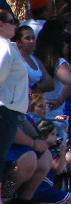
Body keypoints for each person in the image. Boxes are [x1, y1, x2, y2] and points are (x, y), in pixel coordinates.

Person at [0, 10, 30, 194]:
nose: (16, 25)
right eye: (13, 21)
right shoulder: (4, 47)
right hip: (4, 110)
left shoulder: (7, 46)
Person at [13, 25, 54, 94]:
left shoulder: (35, 59)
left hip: (40, 102)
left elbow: (51, 85)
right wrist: (41, 85)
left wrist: (35, 86)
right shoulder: (16, 60)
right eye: (27, 38)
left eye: (33, 38)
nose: (32, 41)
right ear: (18, 42)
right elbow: (25, 87)